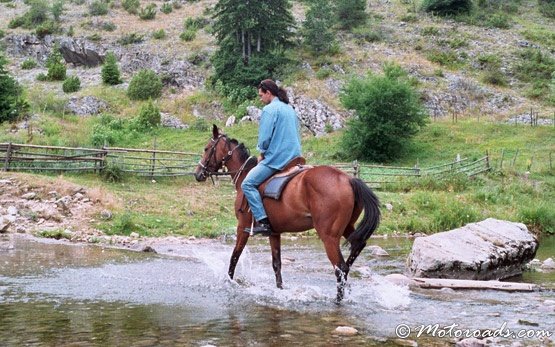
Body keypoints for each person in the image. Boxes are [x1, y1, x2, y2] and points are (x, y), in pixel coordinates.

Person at [241, 79, 302, 236]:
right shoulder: (289, 109)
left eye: (261, 95)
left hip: (277, 159)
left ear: (269, 93)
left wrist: (261, 153)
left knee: (247, 184)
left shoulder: (269, 110)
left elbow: (265, 138)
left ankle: (263, 221)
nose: (260, 99)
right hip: (295, 157)